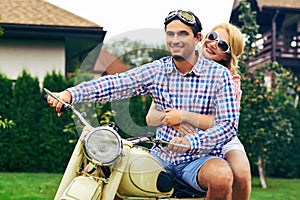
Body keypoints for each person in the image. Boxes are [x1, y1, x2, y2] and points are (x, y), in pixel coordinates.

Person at [47, 10, 239, 200]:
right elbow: (117, 83)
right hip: (161, 157)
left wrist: (191, 142)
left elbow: (228, 124)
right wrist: (70, 94)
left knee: (222, 176)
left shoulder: (219, 75)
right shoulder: (158, 70)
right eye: (170, 34)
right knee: (107, 171)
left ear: (197, 38)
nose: (175, 40)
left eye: (183, 34)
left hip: (199, 159)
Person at [146, 22, 251, 200]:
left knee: (241, 173)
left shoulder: (228, 79)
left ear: (228, 55)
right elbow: (151, 117)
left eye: (222, 45)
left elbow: (223, 123)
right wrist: (172, 119)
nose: (213, 44)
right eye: (212, 37)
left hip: (220, 136)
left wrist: (184, 116)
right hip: (176, 142)